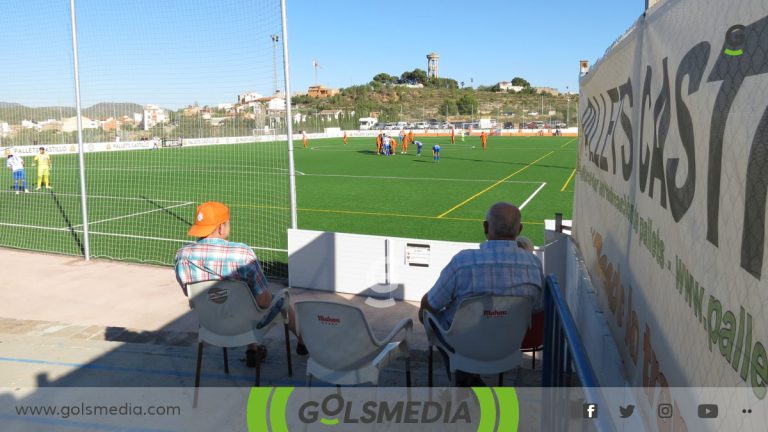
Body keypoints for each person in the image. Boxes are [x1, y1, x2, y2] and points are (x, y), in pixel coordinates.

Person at [419, 202, 544, 385]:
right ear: (520, 229)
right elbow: (537, 307)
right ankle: (470, 382)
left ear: (485, 227)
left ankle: (465, 382)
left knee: (431, 317)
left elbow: (430, 305)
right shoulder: (533, 264)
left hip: (464, 348)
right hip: (508, 347)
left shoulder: (463, 262)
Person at [174, 201, 307, 365]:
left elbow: (191, 296)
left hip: (211, 324)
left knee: (237, 301)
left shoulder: (182, 256)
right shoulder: (242, 254)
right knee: (281, 300)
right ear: (221, 227)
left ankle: (253, 350)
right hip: (243, 324)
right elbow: (264, 302)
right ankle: (303, 344)